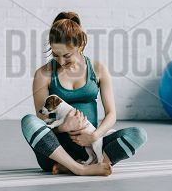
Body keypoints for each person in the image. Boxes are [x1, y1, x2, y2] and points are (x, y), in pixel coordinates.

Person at [21, 11, 147, 176]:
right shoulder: (43, 75)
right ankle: (80, 168)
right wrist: (64, 127)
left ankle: (88, 163)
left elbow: (111, 114)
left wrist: (94, 136)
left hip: (92, 143)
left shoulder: (98, 69)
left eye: (66, 55)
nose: (61, 61)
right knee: (28, 122)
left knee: (138, 134)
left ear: (80, 45)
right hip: (55, 152)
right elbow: (42, 120)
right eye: (55, 55)